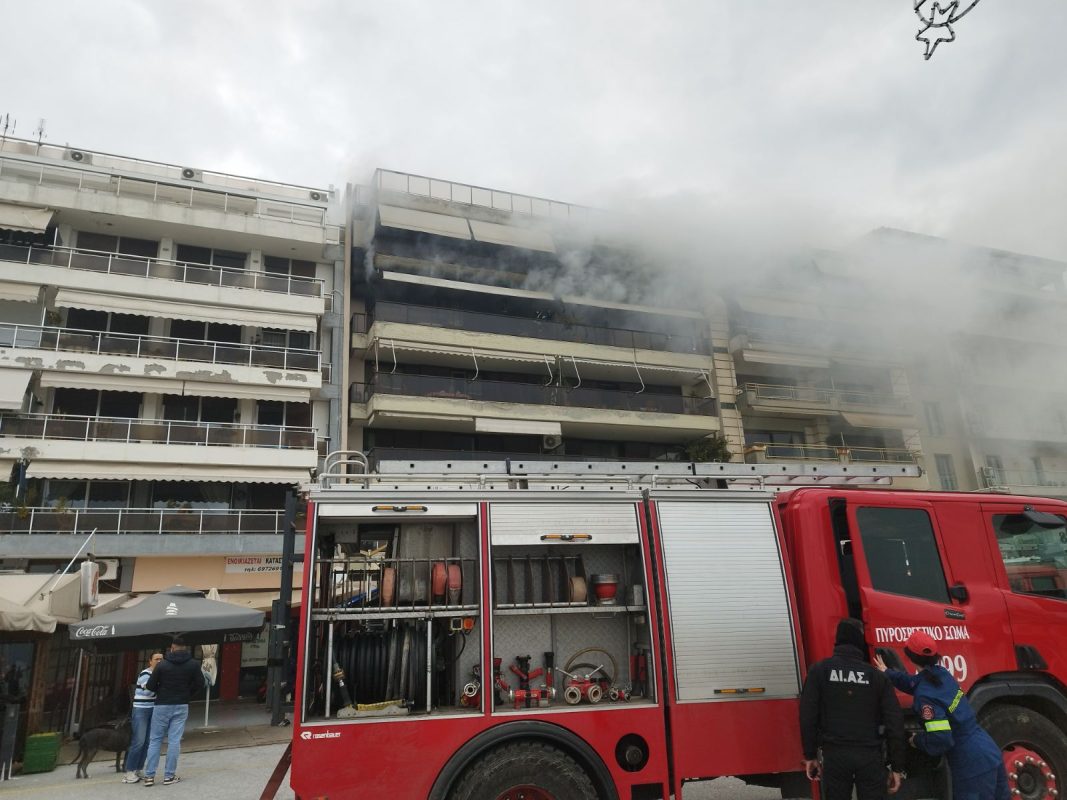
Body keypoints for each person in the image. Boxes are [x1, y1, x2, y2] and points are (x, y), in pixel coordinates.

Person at [875, 630, 1010, 800]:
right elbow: (913, 683)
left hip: (970, 762)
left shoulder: (925, 697)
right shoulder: (942, 674)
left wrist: (916, 740)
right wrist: (888, 673)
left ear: (909, 657)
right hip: (988, 748)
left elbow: (942, 738)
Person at [799, 618, 906, 799]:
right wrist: (897, 767)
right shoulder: (877, 677)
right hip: (870, 756)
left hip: (835, 756)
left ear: (838, 640)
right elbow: (894, 722)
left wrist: (810, 755)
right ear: (859, 641)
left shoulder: (819, 671)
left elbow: (807, 716)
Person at [142, 637, 202, 786]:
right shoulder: (193, 664)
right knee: (174, 740)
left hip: (162, 704)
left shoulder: (162, 665)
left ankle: (149, 776)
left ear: (172, 648)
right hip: (181, 704)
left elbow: (150, 685)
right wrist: (187, 693)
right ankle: (169, 776)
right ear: (185, 648)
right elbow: (200, 683)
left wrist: (161, 690)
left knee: (155, 740)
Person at [123, 651, 163, 784]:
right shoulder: (146, 673)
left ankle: (138, 768)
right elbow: (148, 691)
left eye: (161, 659)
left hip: (153, 709)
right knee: (138, 741)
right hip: (141, 709)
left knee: (147, 742)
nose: (159, 661)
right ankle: (129, 771)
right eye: (156, 659)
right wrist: (160, 688)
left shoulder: (160, 675)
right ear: (150, 661)